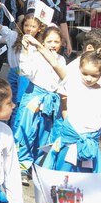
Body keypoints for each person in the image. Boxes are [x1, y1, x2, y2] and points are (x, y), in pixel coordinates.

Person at [41, 50, 101, 174]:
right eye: (85, 73)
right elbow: (55, 64)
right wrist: (38, 45)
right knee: (63, 178)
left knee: (85, 183)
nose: (88, 78)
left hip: (90, 145)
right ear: (79, 69)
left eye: (94, 75)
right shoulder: (72, 83)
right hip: (70, 140)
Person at [12, 29, 67, 182]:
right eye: (49, 41)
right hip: (34, 95)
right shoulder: (35, 55)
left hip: (51, 99)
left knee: (45, 132)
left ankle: (38, 165)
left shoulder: (61, 60)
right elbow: (26, 71)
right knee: (26, 130)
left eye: (56, 42)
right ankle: (22, 166)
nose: (53, 45)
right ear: (42, 42)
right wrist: (25, 50)